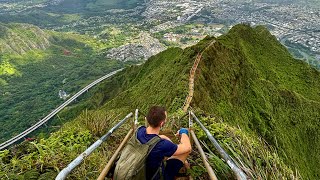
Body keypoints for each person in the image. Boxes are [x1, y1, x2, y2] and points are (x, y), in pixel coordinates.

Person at [137, 106, 192, 180]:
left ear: (147, 119)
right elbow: (187, 147)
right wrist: (183, 131)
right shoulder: (162, 145)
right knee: (183, 152)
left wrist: (163, 136)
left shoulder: (140, 130)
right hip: (157, 177)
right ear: (162, 123)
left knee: (165, 144)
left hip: (140, 170)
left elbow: (152, 137)